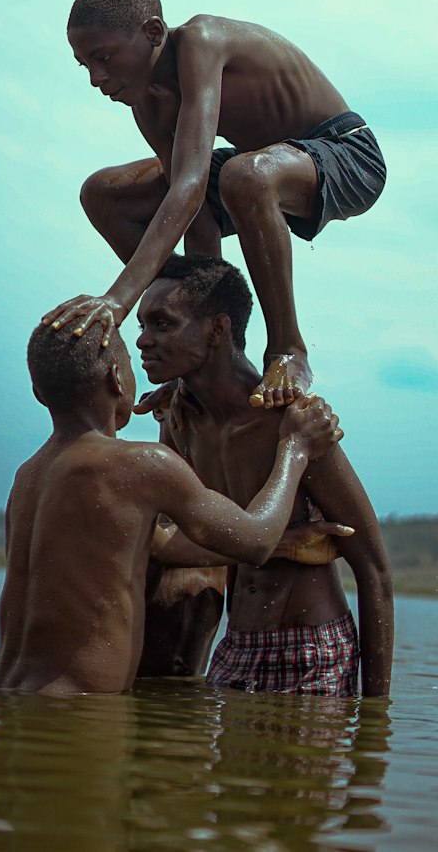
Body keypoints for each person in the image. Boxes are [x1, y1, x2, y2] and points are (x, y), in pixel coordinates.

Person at [44, 0, 386, 407]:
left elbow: (189, 187)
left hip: (345, 153)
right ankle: (211, 353)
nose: (96, 77)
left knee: (244, 177)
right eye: (85, 65)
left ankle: (287, 348)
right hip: (258, 169)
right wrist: (202, 348)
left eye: (104, 57)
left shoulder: (202, 41)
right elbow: (197, 218)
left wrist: (117, 299)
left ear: (152, 32)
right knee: (102, 195)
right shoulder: (149, 107)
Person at [0, 315, 344, 696]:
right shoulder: (141, 464)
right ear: (119, 379)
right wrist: (295, 449)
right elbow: (255, 540)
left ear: (38, 393)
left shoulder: (29, 475)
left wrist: (286, 542)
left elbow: (158, 545)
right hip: (73, 712)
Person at [135, 254, 394, 697]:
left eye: (162, 324)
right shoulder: (182, 421)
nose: (142, 340)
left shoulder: (293, 424)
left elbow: (374, 572)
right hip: (236, 648)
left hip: (311, 649)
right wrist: (278, 543)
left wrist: (373, 724)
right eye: (142, 324)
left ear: (218, 330)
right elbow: (156, 543)